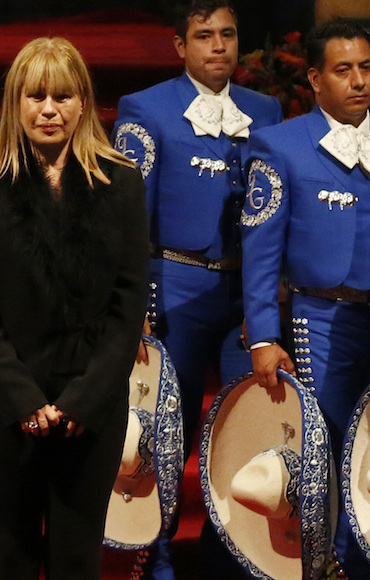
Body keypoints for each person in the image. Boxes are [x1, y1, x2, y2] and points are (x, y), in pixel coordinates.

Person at [0, 37, 149, 579]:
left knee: (76, 559)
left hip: (89, 411)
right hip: (3, 407)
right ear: (14, 104)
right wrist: (24, 400)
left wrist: (82, 401)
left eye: (61, 96)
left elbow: (129, 302)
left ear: (83, 103)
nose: (48, 109)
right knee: (9, 557)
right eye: (35, 96)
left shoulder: (122, 184)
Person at [240, 19, 370, 579]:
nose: (359, 80)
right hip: (321, 318)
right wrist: (265, 336)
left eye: (366, 67)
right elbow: (260, 249)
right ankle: (321, 568)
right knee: (327, 453)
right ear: (316, 79)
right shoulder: (280, 145)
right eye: (344, 70)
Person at [112, 3, 280, 575]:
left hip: (246, 297)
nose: (218, 46)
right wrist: (134, 304)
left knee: (244, 426)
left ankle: (225, 551)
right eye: (204, 35)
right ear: (179, 45)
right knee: (168, 431)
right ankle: (155, 554)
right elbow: (128, 217)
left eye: (228, 34)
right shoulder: (148, 109)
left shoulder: (266, 110)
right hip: (175, 287)